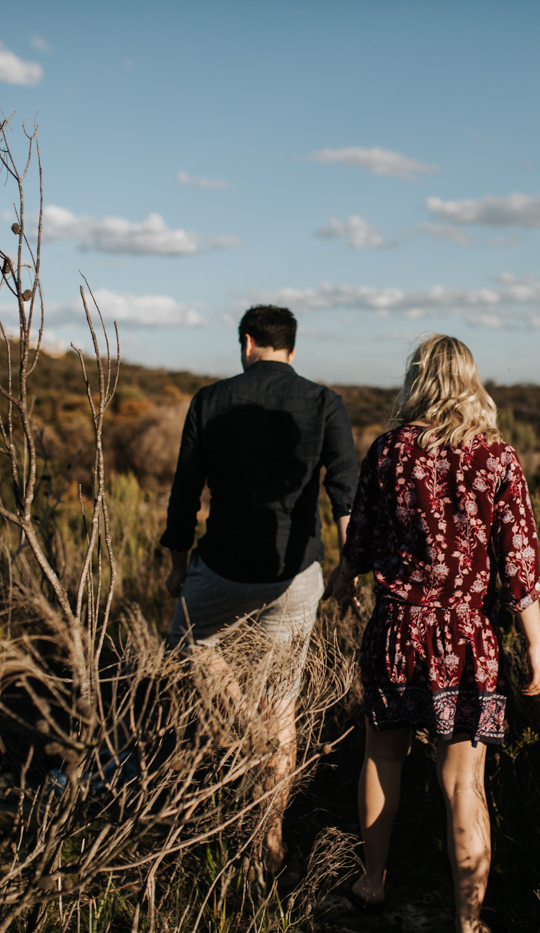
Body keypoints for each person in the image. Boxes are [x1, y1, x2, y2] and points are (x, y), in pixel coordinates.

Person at [326, 334, 540, 933]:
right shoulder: (499, 459)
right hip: (467, 639)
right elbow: (519, 563)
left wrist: (343, 581)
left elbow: (362, 540)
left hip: (397, 631)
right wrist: (536, 646)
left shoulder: (389, 452)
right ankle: (467, 920)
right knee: (463, 782)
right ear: (471, 380)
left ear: (418, 379)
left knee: (382, 757)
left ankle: (372, 884)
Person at [161, 304, 359, 877]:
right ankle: (269, 840)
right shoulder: (326, 403)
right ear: (291, 349)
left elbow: (184, 496)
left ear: (247, 343)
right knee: (282, 705)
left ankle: (247, 738)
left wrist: (178, 565)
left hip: (222, 568)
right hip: (295, 575)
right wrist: (347, 568)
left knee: (190, 648)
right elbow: (343, 492)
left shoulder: (209, 400)